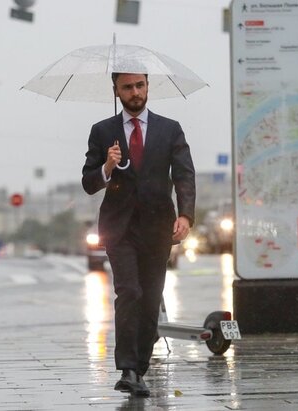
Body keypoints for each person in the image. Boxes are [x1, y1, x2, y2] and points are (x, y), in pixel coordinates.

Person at [81, 72, 196, 397]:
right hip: (119, 228)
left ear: (147, 86)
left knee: (149, 299)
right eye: (127, 87)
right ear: (116, 90)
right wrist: (107, 166)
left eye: (140, 85)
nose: (135, 92)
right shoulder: (102, 131)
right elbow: (88, 183)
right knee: (129, 291)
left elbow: (184, 175)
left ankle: (139, 369)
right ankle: (128, 369)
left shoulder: (169, 129)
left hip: (158, 228)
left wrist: (186, 215)